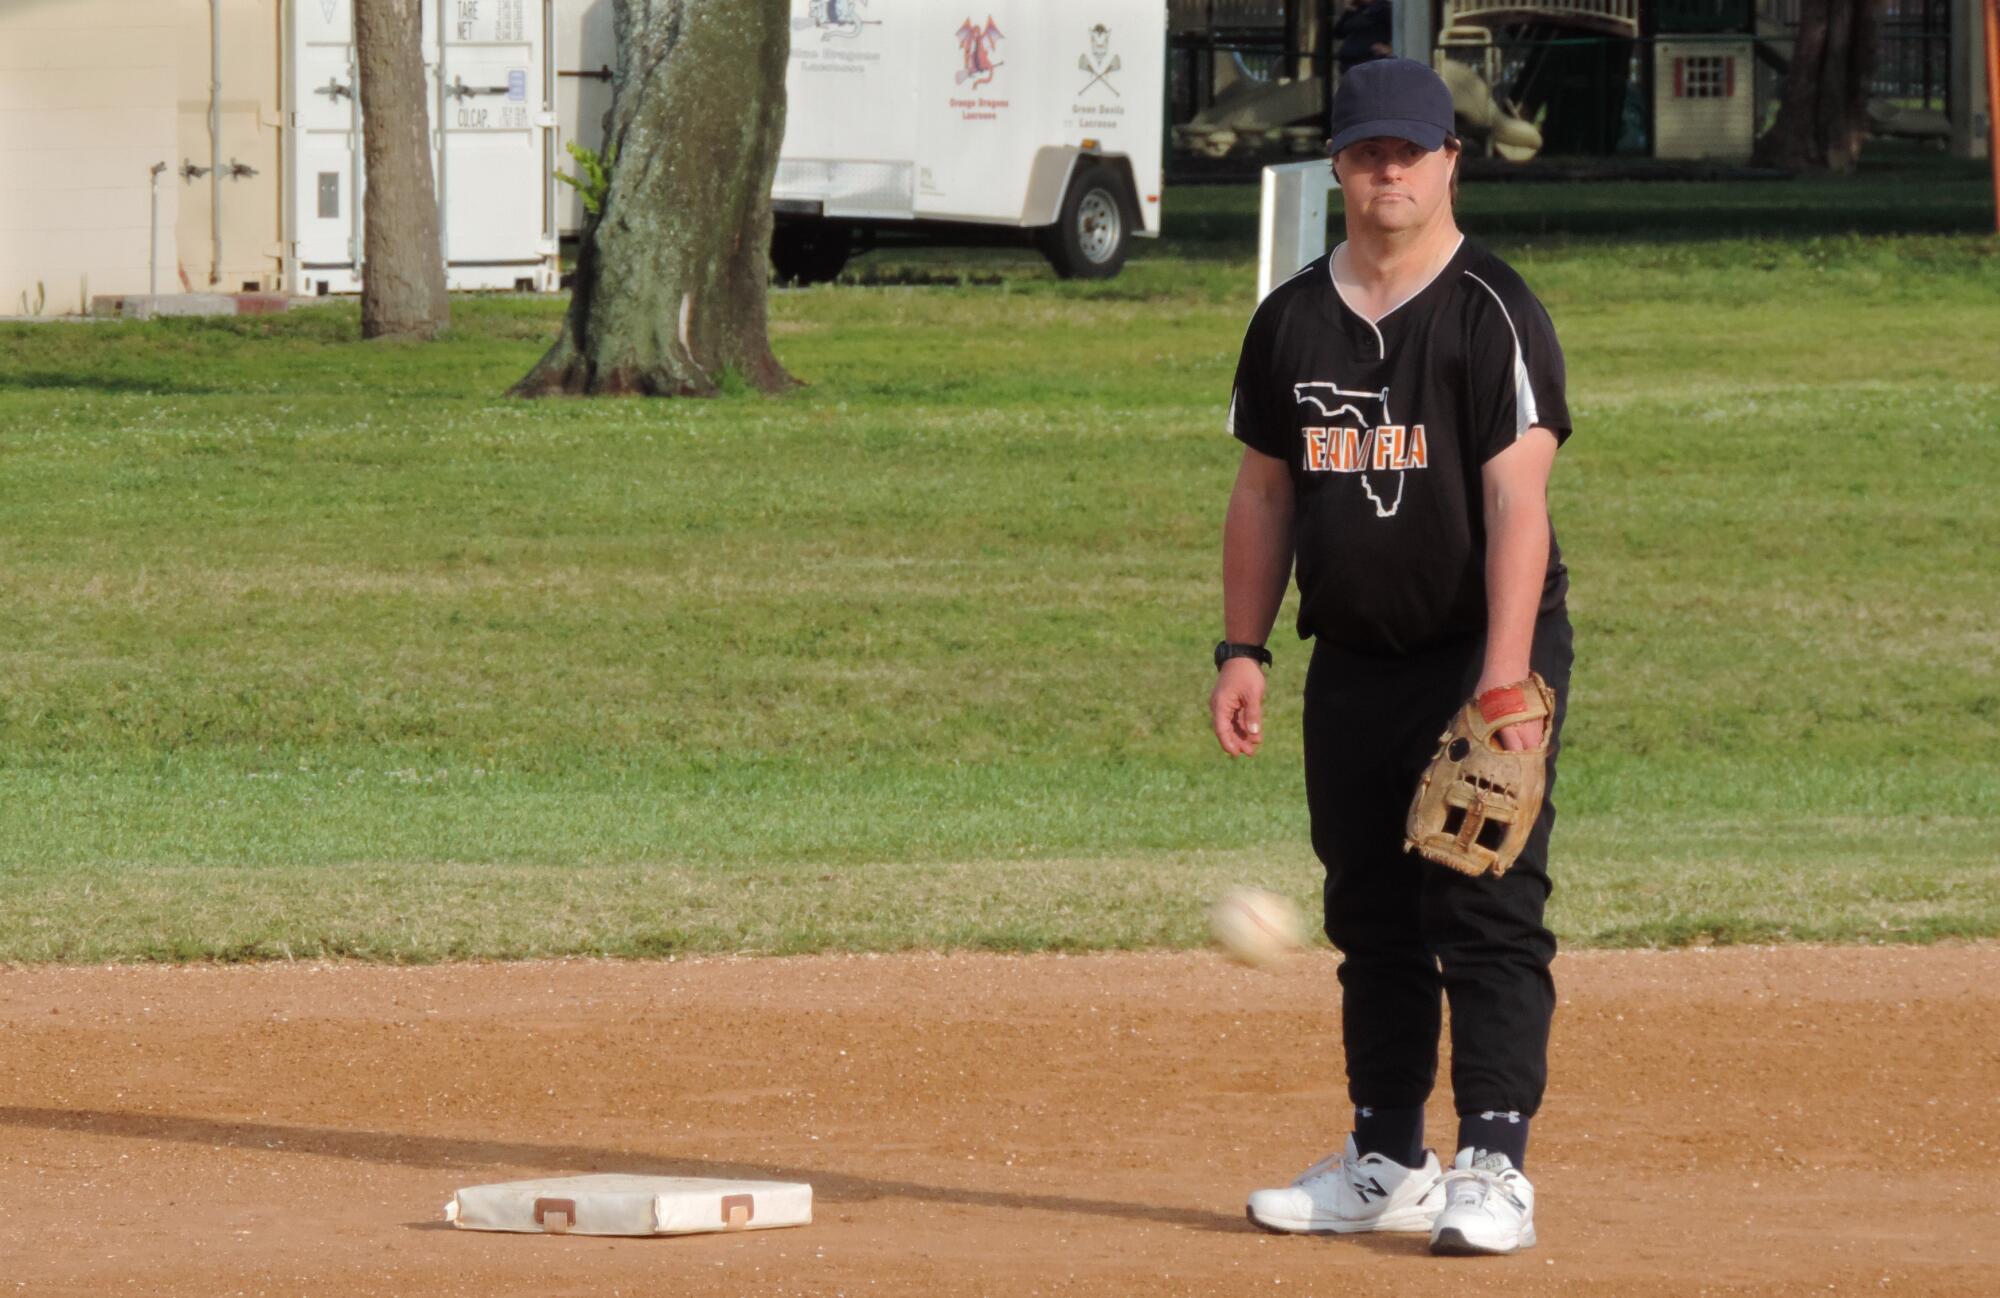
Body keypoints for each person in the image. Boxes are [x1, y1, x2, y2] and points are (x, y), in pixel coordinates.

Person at [1208, 57, 1573, 1257]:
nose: (1387, 170)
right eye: (1367, 151)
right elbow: (1263, 494)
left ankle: (1493, 1159)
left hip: (1480, 651)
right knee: (1367, 908)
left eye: (1408, 151)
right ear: (1338, 163)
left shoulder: (1489, 310)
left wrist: (1508, 679)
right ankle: (1384, 1155)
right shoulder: (1292, 318)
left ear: (1448, 160)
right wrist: (1242, 646)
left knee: (1481, 902)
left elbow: (1520, 504)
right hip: (1352, 655)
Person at [1330, 0, 1394, 75]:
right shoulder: (1358, 8)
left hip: (1368, 63)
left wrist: (1389, 49)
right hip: (1349, 65)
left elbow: (1398, 30)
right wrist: (1348, 12)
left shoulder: (1383, 8)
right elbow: (1339, 33)